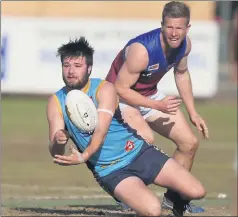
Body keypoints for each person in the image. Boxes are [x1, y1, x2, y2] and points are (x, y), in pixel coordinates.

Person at [46, 37, 206, 217]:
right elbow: (55, 151)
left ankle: (173, 205)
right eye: (66, 65)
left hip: (139, 152)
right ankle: (132, 194)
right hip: (110, 170)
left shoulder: (104, 88)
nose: (71, 71)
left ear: (89, 68)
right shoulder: (56, 101)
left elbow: (101, 130)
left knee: (197, 191)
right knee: (152, 210)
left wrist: (84, 155)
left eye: (77, 65)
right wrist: (59, 139)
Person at [105, 1, 208, 213]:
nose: (174, 33)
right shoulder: (142, 51)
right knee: (147, 139)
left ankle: (173, 199)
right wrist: (157, 105)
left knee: (189, 143)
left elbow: (181, 74)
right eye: (169, 27)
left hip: (149, 95)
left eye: (179, 28)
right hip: (120, 99)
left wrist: (193, 112)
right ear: (161, 25)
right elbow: (120, 88)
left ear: (188, 28)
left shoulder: (185, 45)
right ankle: (128, 194)